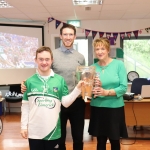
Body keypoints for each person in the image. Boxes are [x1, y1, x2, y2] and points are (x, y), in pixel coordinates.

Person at [21, 24, 86, 150]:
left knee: (78, 136)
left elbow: (82, 77)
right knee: (59, 137)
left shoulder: (80, 57)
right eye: (65, 34)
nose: (68, 37)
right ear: (61, 36)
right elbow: (42, 73)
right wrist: (25, 84)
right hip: (57, 102)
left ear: (75, 37)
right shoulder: (53, 55)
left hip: (76, 101)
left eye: (71, 34)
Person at [89, 37, 128, 150]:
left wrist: (106, 92)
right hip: (98, 107)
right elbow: (88, 89)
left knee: (115, 140)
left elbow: (123, 88)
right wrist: (92, 87)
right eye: (97, 49)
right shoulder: (92, 67)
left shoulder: (118, 65)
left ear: (108, 50)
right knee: (100, 141)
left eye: (102, 49)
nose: (100, 52)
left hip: (114, 108)